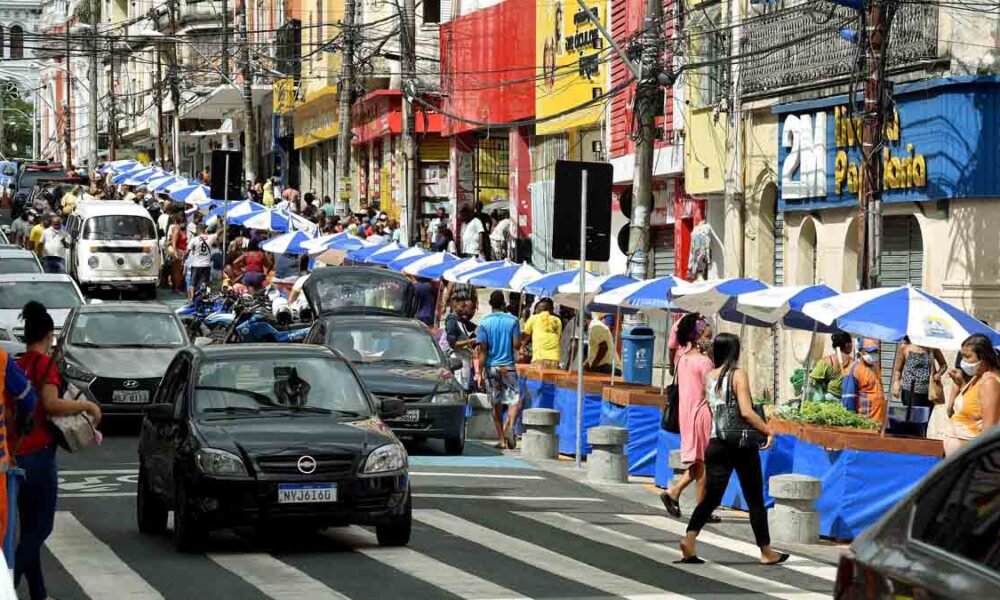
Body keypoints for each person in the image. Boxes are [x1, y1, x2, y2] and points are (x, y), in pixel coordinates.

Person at [14, 301, 101, 600]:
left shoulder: (17, 364)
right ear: (49, 336)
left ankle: (38, 593)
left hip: (15, 454)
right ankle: (8, 582)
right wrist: (87, 405)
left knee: (28, 528)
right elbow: (51, 404)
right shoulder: (43, 365)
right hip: (38, 453)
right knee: (41, 529)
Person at [680, 333, 787, 566]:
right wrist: (768, 431)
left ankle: (689, 539)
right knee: (754, 497)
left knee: (711, 497)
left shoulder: (710, 376)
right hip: (740, 444)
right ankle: (766, 551)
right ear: (735, 352)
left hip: (716, 442)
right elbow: (747, 412)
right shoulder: (738, 375)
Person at [660, 313, 715, 519]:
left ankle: (675, 493)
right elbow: (711, 392)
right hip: (701, 413)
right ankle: (700, 508)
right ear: (699, 336)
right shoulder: (704, 363)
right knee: (703, 463)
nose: (709, 340)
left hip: (687, 413)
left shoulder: (682, 359)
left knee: (698, 462)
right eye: (707, 336)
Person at [477, 290, 522, 449]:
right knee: (514, 400)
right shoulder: (513, 320)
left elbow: (483, 350)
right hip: (508, 367)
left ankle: (502, 440)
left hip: (491, 368)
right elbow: (517, 345)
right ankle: (510, 426)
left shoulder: (484, 322)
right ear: (504, 304)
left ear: (490, 304)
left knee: (495, 404)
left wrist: (479, 373)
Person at [943, 333, 1000, 456]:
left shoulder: (989, 382)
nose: (963, 362)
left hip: (969, 459)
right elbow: (974, 404)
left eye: (967, 357)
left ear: (983, 359)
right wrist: (961, 384)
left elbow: (989, 430)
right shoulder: (977, 377)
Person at [891, 337, 947, 409]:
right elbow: (898, 370)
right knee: (912, 417)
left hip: (929, 392)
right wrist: (896, 382)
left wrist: (938, 374)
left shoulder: (932, 348)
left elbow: (943, 365)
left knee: (925, 418)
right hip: (910, 391)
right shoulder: (905, 347)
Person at [842, 338, 887, 426]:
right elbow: (848, 400)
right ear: (861, 351)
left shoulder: (875, 367)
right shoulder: (854, 370)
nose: (873, 355)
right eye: (870, 352)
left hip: (879, 422)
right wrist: (851, 423)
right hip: (865, 423)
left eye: (876, 352)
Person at [808, 331, 854, 402]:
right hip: (850, 400)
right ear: (847, 344)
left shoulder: (826, 361)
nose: (852, 345)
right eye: (851, 343)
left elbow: (811, 381)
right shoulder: (854, 363)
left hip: (830, 400)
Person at [445, 298, 478, 391]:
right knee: (460, 387)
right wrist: (470, 341)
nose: (464, 309)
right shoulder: (452, 321)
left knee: (465, 386)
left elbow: (475, 328)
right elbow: (453, 344)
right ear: (455, 306)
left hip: (466, 359)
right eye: (462, 306)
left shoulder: (462, 320)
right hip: (458, 359)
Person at [521, 298, 562, 369]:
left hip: (539, 357)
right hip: (555, 358)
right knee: (550, 380)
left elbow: (525, 335)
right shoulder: (557, 321)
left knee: (536, 380)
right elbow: (557, 338)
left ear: (537, 309)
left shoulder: (533, 318)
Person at [187, 223, 217, 298]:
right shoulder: (210, 237)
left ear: (197, 230)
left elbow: (187, 251)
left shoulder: (194, 239)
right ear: (204, 230)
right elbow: (218, 232)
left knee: (193, 283)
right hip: (206, 265)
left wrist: (183, 259)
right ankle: (204, 298)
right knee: (205, 283)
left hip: (196, 265)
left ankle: (191, 298)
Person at [168, 212, 188, 294]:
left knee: (179, 271)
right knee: (177, 271)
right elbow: (174, 242)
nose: (185, 224)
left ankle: (177, 287)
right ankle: (176, 288)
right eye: (184, 222)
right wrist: (175, 253)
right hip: (178, 251)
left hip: (181, 251)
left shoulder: (178, 229)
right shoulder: (177, 229)